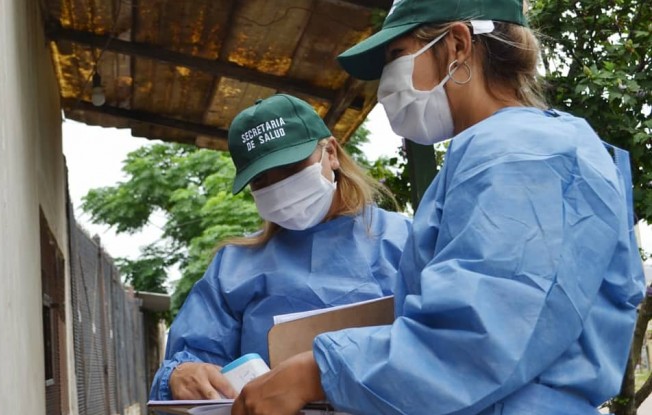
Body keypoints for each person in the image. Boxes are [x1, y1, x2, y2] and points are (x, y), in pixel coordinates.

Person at [231, 0, 646, 414]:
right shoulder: (511, 148)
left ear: (459, 45)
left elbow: (480, 338)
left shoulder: (521, 154)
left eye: (396, 55)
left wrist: (318, 372)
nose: (385, 85)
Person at [148, 93, 412, 401]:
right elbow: (192, 359)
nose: (280, 187)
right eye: (261, 180)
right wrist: (180, 375)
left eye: (291, 167)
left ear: (331, 153)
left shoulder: (403, 239)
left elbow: (449, 343)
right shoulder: (233, 268)